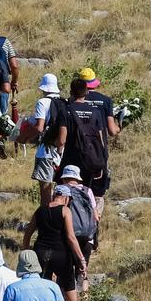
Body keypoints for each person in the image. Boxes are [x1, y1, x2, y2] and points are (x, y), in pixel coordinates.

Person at [59, 74, 116, 219]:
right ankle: (90, 226)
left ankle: (71, 223)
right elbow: (101, 138)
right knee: (90, 192)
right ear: (86, 92)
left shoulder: (66, 110)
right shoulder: (96, 112)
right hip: (91, 159)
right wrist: (102, 160)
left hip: (72, 158)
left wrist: (57, 156)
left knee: (69, 191)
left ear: (71, 92)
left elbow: (61, 140)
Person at [30, 73, 67, 206]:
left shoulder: (42, 102)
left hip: (45, 152)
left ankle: (46, 218)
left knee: (45, 190)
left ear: (44, 88)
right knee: (61, 190)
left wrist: (27, 132)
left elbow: (40, 127)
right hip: (61, 150)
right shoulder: (64, 102)